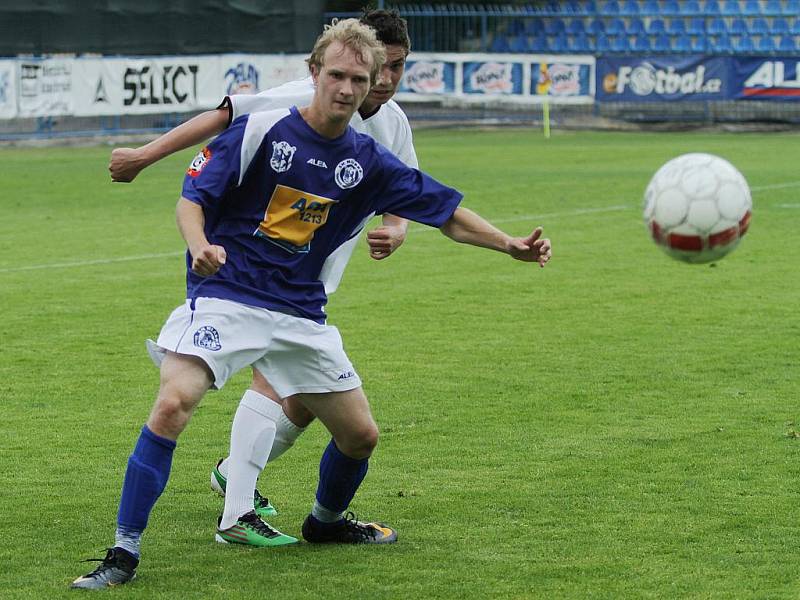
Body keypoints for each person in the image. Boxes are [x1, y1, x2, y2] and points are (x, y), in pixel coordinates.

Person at [71, 18, 551, 590]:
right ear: (314, 73)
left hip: (301, 311)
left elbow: (444, 211)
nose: (347, 89)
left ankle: (324, 524)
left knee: (360, 436)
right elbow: (192, 198)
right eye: (337, 75)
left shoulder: (369, 161)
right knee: (174, 403)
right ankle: (122, 554)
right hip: (228, 295)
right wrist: (200, 247)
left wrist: (509, 244)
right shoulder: (264, 129)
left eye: (360, 79)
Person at [109, 9, 418, 520]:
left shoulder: (392, 120)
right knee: (271, 382)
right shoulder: (304, 100)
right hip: (253, 271)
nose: (384, 80)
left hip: (315, 276)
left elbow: (404, 187)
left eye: (397, 67)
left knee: (304, 402)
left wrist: (398, 229)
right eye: (375, 67)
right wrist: (145, 155)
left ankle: (236, 475)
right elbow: (225, 116)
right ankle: (236, 506)